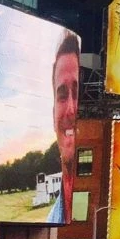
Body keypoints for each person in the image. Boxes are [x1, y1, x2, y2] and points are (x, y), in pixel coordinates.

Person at [46, 32, 81, 223]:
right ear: (53, 115)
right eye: (62, 95)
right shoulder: (48, 222)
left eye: (77, 93)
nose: (70, 109)